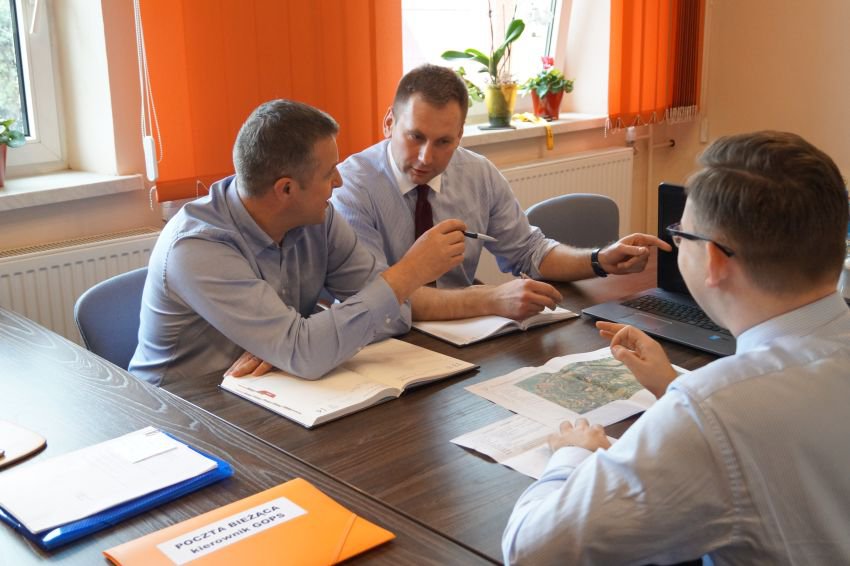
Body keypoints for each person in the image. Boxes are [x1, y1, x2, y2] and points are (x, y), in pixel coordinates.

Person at [502, 131, 850, 564]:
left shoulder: (713, 412)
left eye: (680, 234)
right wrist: (671, 388)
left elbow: (531, 550)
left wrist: (573, 454)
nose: (677, 242)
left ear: (715, 261)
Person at [129, 99, 465, 386]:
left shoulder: (317, 219)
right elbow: (309, 352)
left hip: (270, 394)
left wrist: (294, 344)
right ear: (286, 189)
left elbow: (394, 314)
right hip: (180, 410)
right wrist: (409, 272)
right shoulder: (197, 248)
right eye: (329, 173)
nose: (339, 181)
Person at [332, 64, 670, 322]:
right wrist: (491, 298)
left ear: (460, 136)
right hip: (384, 343)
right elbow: (377, 298)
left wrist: (599, 259)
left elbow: (530, 251)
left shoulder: (477, 173)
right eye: (415, 136)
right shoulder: (350, 187)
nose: (425, 157)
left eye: (443, 142)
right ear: (389, 123)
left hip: (465, 334)